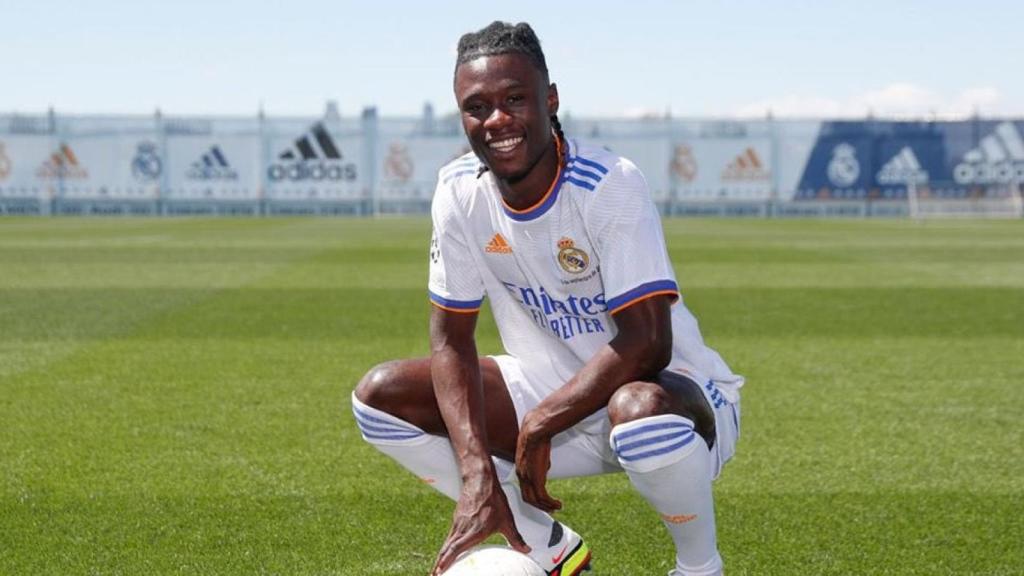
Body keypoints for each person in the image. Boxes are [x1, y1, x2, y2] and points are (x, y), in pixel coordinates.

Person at [351, 21, 743, 576]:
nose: (497, 121)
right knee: (379, 398)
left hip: (672, 406)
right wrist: (476, 474)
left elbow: (647, 343)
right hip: (550, 396)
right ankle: (546, 546)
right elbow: (451, 341)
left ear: (550, 99)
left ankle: (699, 567)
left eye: (515, 99)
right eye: (477, 107)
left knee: (639, 409)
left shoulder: (608, 183)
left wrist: (540, 425)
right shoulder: (459, 191)